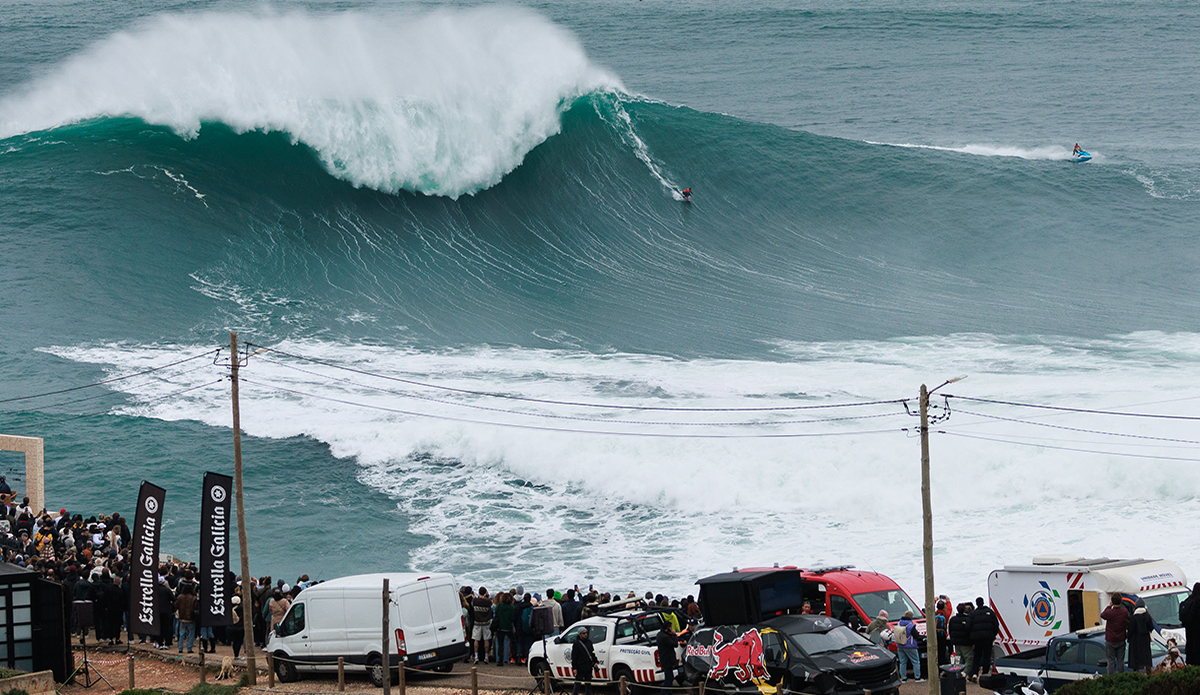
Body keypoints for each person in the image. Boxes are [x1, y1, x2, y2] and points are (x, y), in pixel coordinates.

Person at [967, 597, 999, 682]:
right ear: (983, 602)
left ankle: (975, 673)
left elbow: (968, 626)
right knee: (987, 656)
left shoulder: (973, 614)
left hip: (977, 639)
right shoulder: (990, 612)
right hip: (988, 638)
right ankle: (985, 674)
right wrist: (993, 635)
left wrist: (971, 639)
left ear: (976, 604)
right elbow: (996, 624)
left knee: (977, 656)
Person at [1100, 593, 1129, 675]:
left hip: (1110, 640)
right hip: (1121, 639)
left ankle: (1111, 677)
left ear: (1112, 601)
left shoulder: (1109, 612)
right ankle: (1121, 676)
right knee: (1120, 660)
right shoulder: (1124, 612)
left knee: (1110, 661)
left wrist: (1109, 606)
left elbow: (1102, 615)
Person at [571, 626, 600, 695]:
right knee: (577, 684)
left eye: (586, 633)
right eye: (583, 633)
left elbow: (592, 653)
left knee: (588, 684)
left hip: (588, 666)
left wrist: (595, 661)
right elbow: (574, 657)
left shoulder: (589, 642)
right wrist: (574, 667)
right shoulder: (576, 644)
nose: (585, 634)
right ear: (579, 634)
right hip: (580, 666)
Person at [657, 621, 683, 695]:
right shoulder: (665, 637)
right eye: (670, 627)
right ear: (667, 628)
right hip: (667, 659)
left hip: (665, 659)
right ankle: (664, 693)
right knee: (669, 678)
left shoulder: (660, 634)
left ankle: (669, 692)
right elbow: (675, 644)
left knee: (669, 677)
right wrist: (674, 635)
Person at [894, 610, 921, 682]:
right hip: (910, 645)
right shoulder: (910, 625)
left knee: (902, 662)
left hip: (900, 645)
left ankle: (904, 678)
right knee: (915, 661)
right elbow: (916, 635)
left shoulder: (899, 623)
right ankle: (917, 677)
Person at [948, 603, 974, 674]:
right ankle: (964, 673)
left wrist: (952, 640)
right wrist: (972, 642)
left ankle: (957, 672)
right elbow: (969, 631)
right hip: (965, 642)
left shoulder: (952, 620)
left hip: (956, 642)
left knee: (958, 659)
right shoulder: (967, 619)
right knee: (969, 659)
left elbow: (950, 630)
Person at [1127, 604, 1153, 674]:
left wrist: (1128, 639)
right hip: (1145, 641)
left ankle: (1136, 675)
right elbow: (1151, 628)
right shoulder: (1147, 616)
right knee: (1146, 659)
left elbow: (1130, 630)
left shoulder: (1133, 617)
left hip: (1135, 641)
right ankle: (1148, 673)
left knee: (1135, 661)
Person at [1179, 583, 1200, 666]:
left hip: (1190, 635)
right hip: (1197, 634)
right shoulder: (1198, 603)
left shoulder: (1188, 601)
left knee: (1192, 656)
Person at [472, 587, 494, 663]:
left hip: (477, 622)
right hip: (486, 622)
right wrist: (487, 595)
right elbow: (491, 602)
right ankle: (486, 657)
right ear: (485, 592)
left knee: (476, 640)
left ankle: (476, 656)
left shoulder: (475, 601)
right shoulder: (488, 602)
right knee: (486, 640)